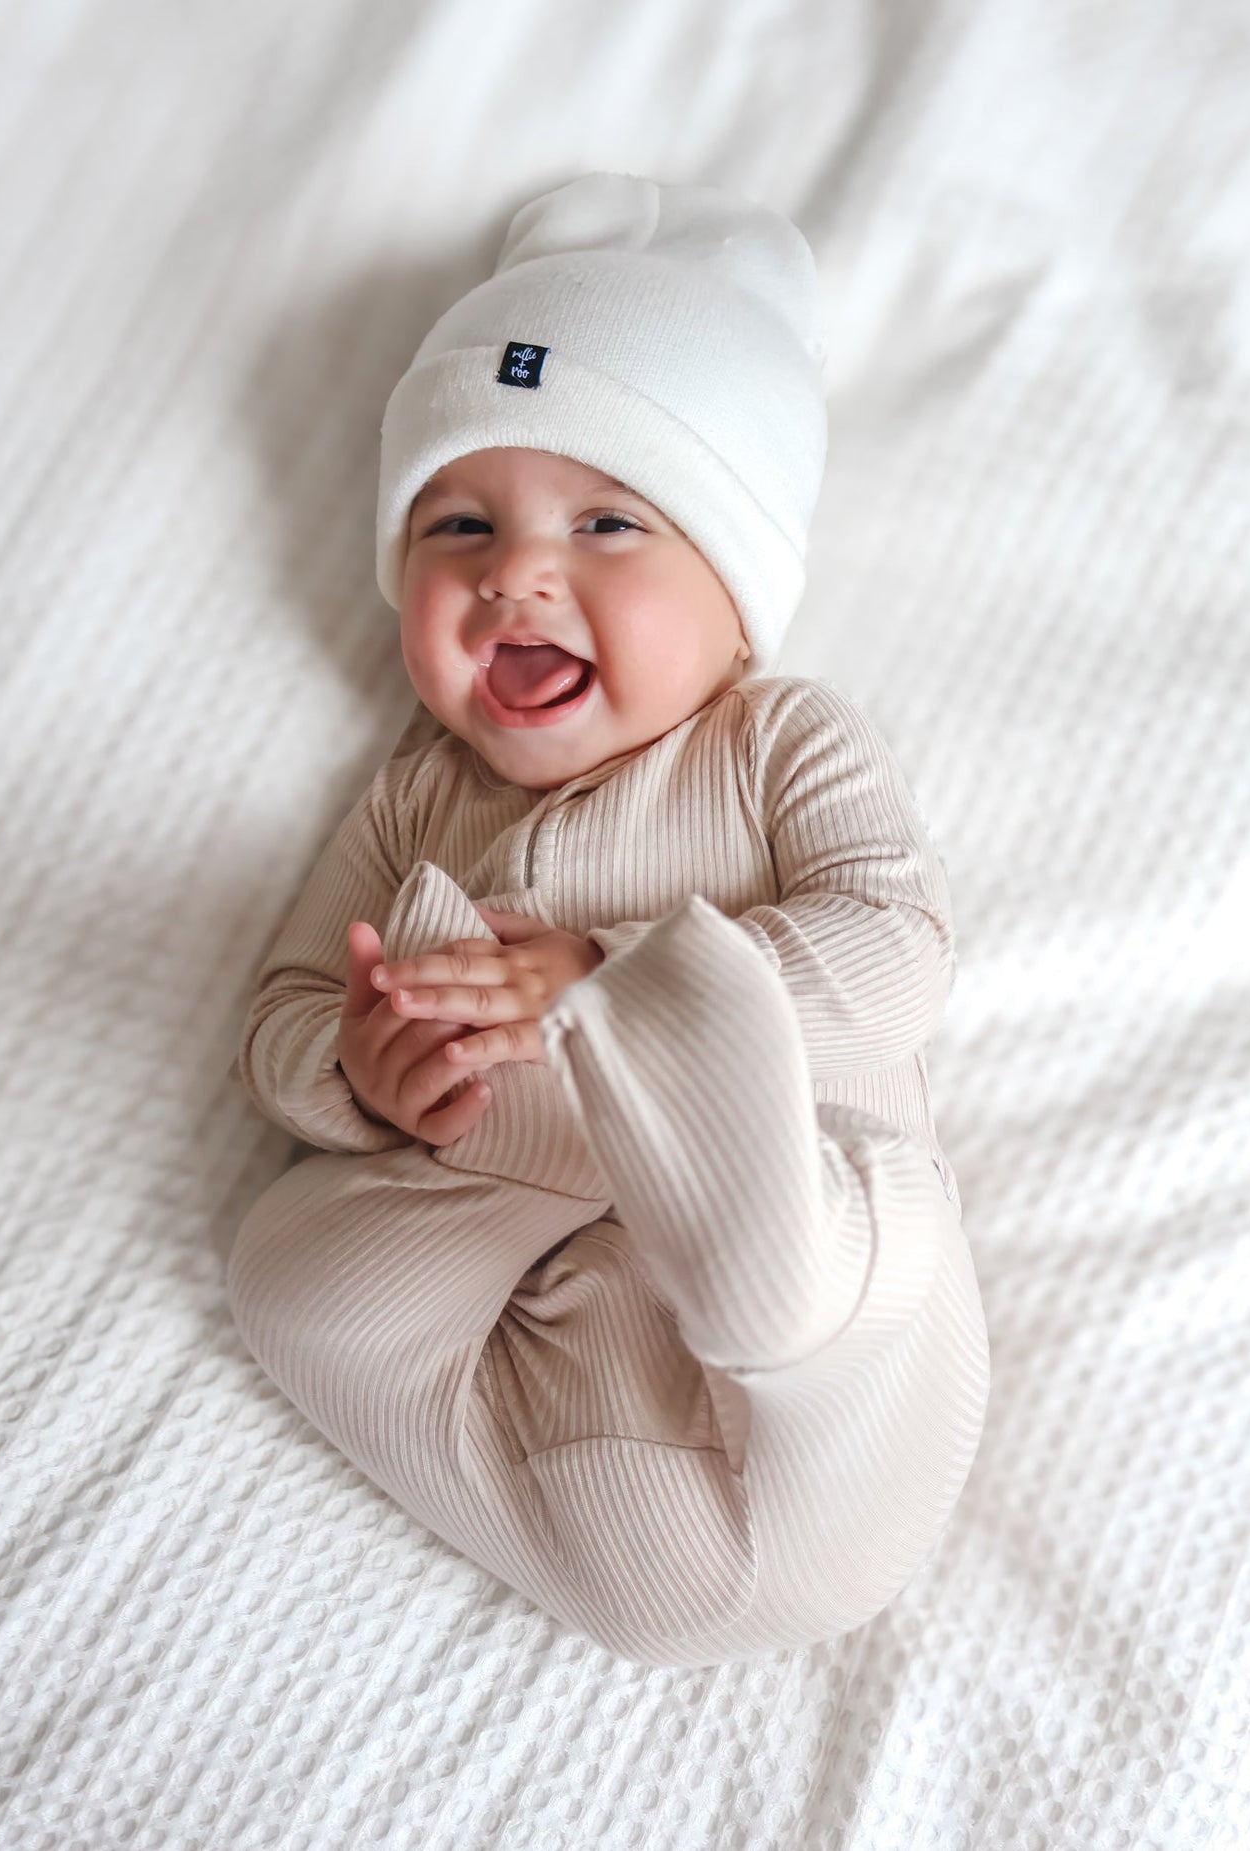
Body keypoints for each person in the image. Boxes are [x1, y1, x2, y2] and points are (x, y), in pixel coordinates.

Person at [226, 172, 990, 1667]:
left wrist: (620, 985)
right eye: (457, 523)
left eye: (607, 522)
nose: (514, 572)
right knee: (284, 1268)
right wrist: (360, 1078)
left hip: (812, 1409)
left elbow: (898, 953)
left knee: (854, 1204)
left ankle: (766, 1247)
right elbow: (283, 1016)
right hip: (567, 1459)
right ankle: (630, 1202)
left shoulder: (776, 742)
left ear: (738, 590)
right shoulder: (415, 800)